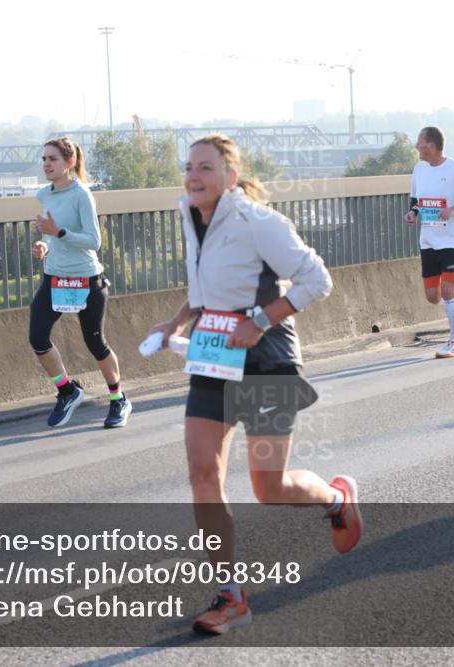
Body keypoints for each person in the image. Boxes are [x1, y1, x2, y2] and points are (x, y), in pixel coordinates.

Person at [148, 134, 362, 635]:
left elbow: (317, 280)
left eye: (205, 167)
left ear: (230, 175)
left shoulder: (259, 221)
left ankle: (336, 500)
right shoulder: (192, 216)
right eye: (189, 167)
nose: (194, 176)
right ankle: (232, 597)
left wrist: (261, 321)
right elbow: (207, 290)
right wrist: (175, 322)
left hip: (267, 359)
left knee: (270, 487)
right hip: (215, 355)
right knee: (203, 473)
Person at [29, 137, 132, 428]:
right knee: (37, 337)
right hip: (55, 278)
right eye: (44, 159)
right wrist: (44, 245)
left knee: (95, 342)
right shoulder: (44, 194)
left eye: (53, 159)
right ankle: (67, 391)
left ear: (70, 162)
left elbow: (93, 241)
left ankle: (118, 399)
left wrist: (59, 233)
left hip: (86, 279)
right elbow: (51, 235)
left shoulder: (81, 194)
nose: (47, 164)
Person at [405, 126, 454, 358]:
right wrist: (413, 213)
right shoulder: (419, 169)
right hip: (428, 240)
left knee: (448, 291)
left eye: (419, 142)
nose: (416, 146)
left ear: (430, 145)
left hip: (452, 240)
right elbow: (416, 199)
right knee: (433, 297)